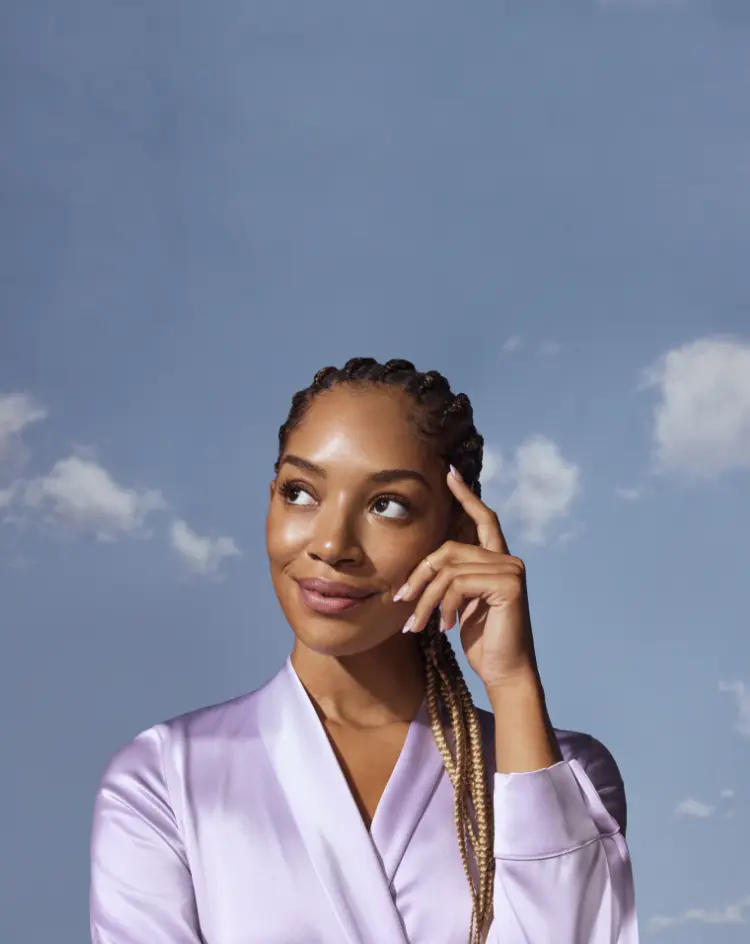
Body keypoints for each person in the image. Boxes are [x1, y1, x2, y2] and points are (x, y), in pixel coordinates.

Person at [89, 357, 639, 944]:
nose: (331, 544)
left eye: (388, 505)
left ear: (458, 535)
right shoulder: (165, 778)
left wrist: (511, 682)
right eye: (300, 493)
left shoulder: (565, 774)